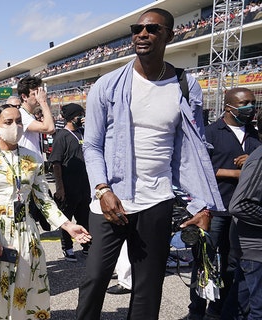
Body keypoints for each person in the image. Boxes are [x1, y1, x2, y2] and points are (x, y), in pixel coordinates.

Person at [76, 8, 224, 319]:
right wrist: (102, 189)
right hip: (110, 200)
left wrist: (200, 203)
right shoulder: (107, 84)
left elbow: (190, 151)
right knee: (94, 280)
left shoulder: (186, 86)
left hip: (156, 200)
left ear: (170, 35)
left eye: (153, 29)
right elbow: (91, 144)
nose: (143, 34)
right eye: (138, 28)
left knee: (148, 286)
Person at [0, 104, 90, 319]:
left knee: (25, 290)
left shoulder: (33, 158)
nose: (16, 127)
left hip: (26, 234)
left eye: (19, 121)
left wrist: (68, 225)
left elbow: (43, 200)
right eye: (8, 122)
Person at [188, 87, 261, 319]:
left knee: (233, 266)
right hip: (215, 210)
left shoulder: (255, 135)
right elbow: (199, 169)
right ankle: (196, 311)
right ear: (229, 106)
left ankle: (219, 310)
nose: (251, 108)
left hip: (243, 214)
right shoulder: (209, 133)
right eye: (245, 104)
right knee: (204, 264)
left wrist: (253, 161)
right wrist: (237, 173)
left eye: (253, 103)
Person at [48, 103, 91, 262]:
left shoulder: (82, 132)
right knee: (67, 218)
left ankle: (86, 245)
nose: (81, 117)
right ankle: (68, 248)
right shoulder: (62, 136)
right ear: (71, 117)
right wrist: (60, 188)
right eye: (79, 115)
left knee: (85, 217)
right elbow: (56, 163)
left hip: (84, 185)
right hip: (68, 185)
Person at [16, 77, 55, 232]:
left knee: (39, 213)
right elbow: (49, 127)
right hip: (25, 174)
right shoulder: (21, 115)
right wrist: (44, 103)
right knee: (24, 218)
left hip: (34, 172)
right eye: (34, 93)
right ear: (24, 96)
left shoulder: (29, 115)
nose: (39, 96)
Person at [228, 144, 262, 320]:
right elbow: (240, 205)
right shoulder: (260, 160)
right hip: (255, 251)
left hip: (251, 249)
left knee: (238, 306)